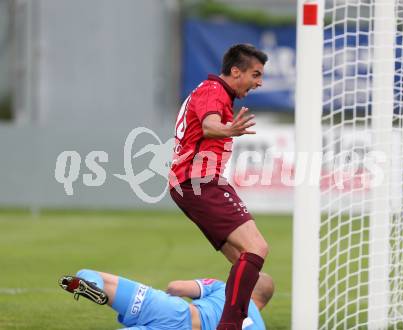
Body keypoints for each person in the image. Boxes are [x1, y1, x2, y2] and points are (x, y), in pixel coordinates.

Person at [169, 44, 269, 329]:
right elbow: (211, 125)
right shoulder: (214, 91)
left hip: (192, 183)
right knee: (257, 248)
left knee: (245, 264)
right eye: (255, 74)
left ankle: (210, 317)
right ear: (235, 71)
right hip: (199, 181)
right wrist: (229, 129)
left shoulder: (212, 91)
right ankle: (230, 324)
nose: (259, 82)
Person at [58, 269, 274, 330]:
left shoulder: (224, 287)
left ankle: (93, 286)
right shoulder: (257, 324)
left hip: (173, 309)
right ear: (263, 301)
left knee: (90, 274)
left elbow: (175, 287)